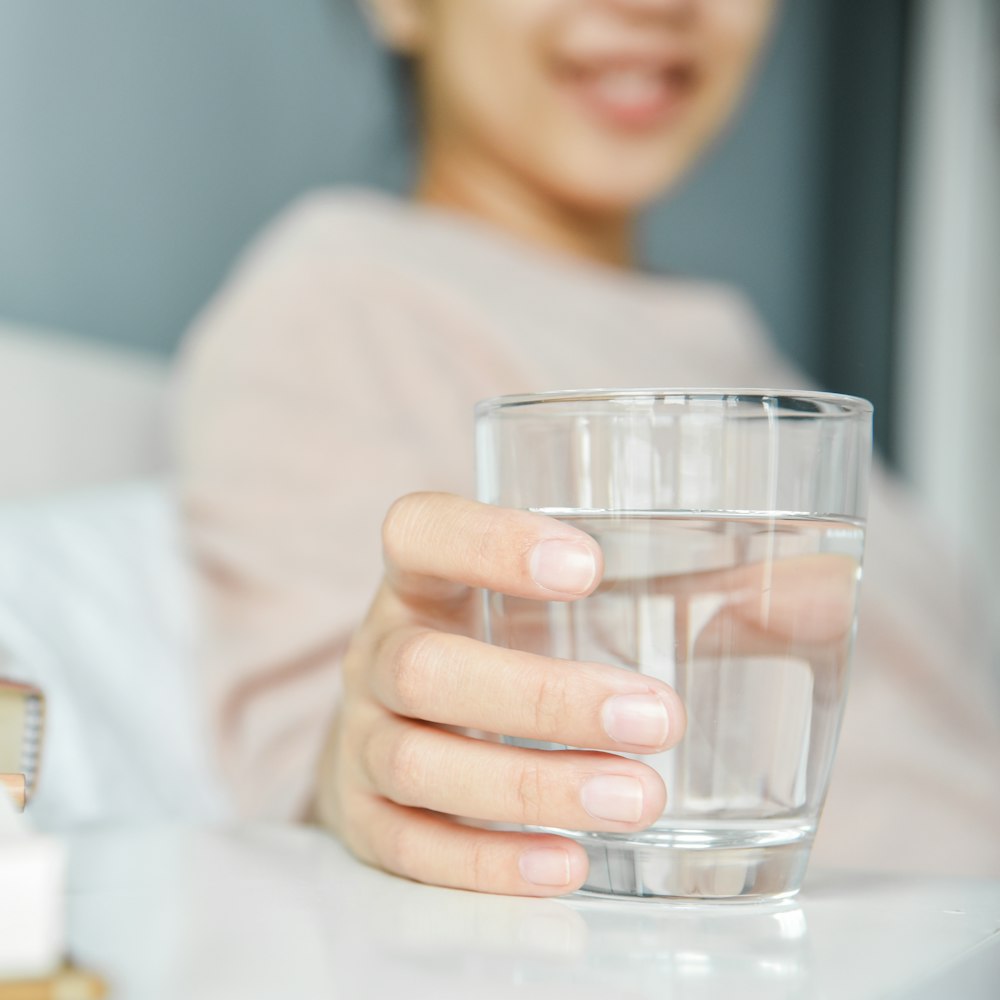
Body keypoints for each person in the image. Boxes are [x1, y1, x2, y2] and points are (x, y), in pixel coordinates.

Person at [174, 0, 1000, 896]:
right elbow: (324, 768)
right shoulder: (342, 299)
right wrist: (365, 771)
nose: (657, 6)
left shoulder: (744, 352)